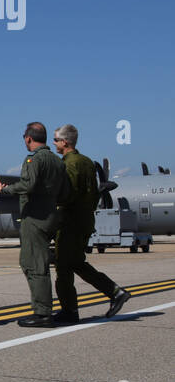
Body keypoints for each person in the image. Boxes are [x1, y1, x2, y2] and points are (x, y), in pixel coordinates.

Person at [52, 124, 131, 322]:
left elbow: (68, 194)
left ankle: (69, 311)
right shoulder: (86, 162)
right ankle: (115, 292)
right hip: (86, 220)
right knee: (77, 263)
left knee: (63, 267)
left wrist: (51, 200)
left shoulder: (69, 164)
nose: (54, 143)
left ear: (65, 142)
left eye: (56, 140)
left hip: (70, 222)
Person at [0, 122, 66, 327]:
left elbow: (28, 184)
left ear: (28, 138)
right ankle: (43, 310)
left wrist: (4, 190)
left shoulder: (33, 159)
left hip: (34, 218)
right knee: (35, 263)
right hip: (50, 216)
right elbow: (64, 192)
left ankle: (42, 313)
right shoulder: (57, 161)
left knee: (34, 265)